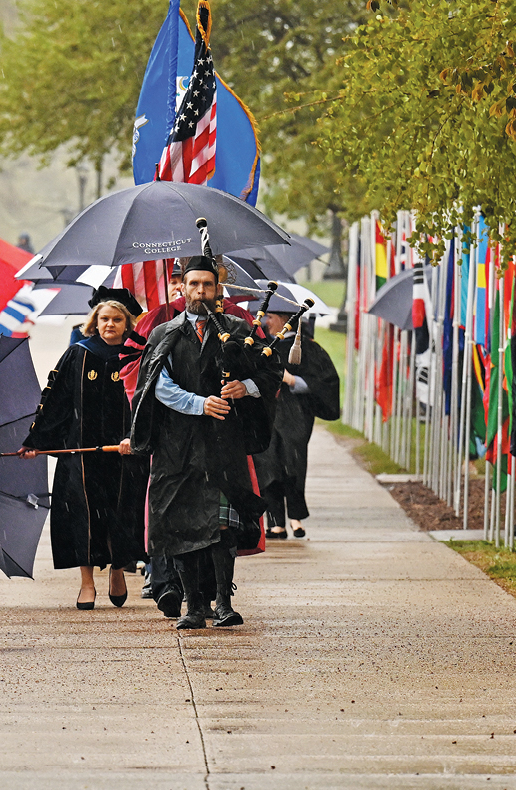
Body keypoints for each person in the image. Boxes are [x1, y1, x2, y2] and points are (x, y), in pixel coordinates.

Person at [129, 256, 281, 629]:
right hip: (176, 445)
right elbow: (158, 386)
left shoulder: (238, 328)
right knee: (181, 524)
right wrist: (200, 403)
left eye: (207, 285)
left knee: (221, 525)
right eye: (193, 284)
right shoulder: (163, 333)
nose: (200, 291)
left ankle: (223, 602)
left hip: (222, 442)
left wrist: (245, 387)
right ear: (181, 287)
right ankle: (193, 606)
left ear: (218, 290)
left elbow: (270, 369)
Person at [19, 288, 147, 610]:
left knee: (121, 512)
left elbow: (149, 402)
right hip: (81, 452)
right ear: (94, 321)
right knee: (82, 515)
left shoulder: (138, 355)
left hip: (125, 451)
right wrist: (37, 441)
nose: (110, 325)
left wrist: (142, 438)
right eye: (104, 319)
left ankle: (117, 571)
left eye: (117, 319)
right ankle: (87, 582)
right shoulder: (78, 354)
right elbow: (56, 400)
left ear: (128, 323)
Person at [252, 307, 341, 539]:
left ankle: (295, 519)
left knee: (292, 467)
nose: (266, 322)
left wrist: (292, 380)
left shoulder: (309, 349)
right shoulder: (263, 349)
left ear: (284, 319)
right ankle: (275, 523)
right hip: (267, 415)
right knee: (268, 468)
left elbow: (325, 383)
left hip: (296, 417)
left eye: (270, 317)